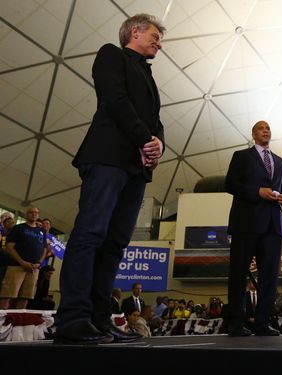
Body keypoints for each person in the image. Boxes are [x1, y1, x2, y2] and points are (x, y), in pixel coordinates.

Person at [54, 13, 166, 345]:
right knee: (90, 234)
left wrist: (158, 144)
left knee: (115, 244)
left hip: (135, 167)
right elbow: (114, 100)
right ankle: (73, 318)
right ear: (135, 31)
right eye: (155, 36)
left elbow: (154, 120)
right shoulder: (111, 55)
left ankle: (101, 321)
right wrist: (145, 139)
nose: (159, 42)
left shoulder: (148, 76)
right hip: (107, 157)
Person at [225, 120, 282, 337]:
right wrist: (257, 192)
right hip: (246, 224)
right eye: (262, 128)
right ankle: (235, 323)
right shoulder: (241, 157)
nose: (266, 131)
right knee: (238, 274)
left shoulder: (281, 162)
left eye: (269, 128)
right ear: (253, 134)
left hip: (273, 227)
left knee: (270, 277)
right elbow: (230, 185)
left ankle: (262, 323)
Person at [0, 206, 48, 309]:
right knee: (8, 294)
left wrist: (39, 263)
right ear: (27, 214)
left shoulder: (42, 231)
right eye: (31, 212)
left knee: (26, 296)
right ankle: (2, 320)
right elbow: (9, 247)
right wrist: (21, 261)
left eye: (36, 212)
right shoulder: (18, 228)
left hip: (34, 269)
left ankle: (17, 321)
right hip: (16, 266)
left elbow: (44, 249)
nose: (34, 214)